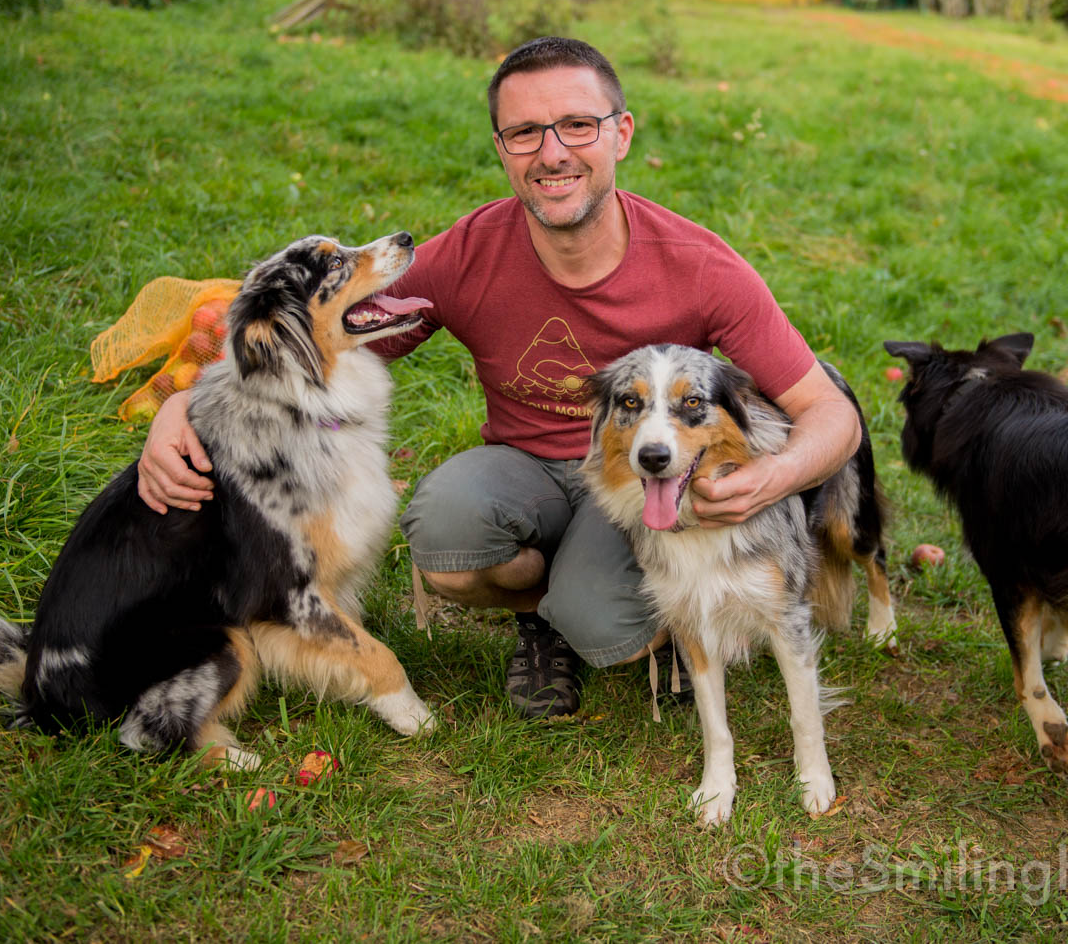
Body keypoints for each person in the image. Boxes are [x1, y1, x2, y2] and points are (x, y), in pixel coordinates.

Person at [138, 36, 862, 719]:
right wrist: (184, 409)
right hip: (529, 470)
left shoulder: (702, 267)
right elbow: (310, 333)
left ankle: (635, 617)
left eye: (577, 125)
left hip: (649, 477)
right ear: (501, 149)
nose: (552, 153)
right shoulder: (469, 253)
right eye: (525, 133)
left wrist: (773, 478)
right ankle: (545, 616)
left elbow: (831, 413)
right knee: (445, 537)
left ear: (621, 134)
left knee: (602, 625)